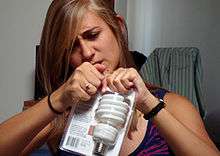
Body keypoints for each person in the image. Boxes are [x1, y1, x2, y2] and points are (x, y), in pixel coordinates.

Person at [0, 0, 219, 155]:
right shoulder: (61, 114)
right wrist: (58, 99)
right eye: (71, 47)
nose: (86, 52)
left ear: (118, 28)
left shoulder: (172, 105)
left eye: (92, 35)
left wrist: (149, 105)